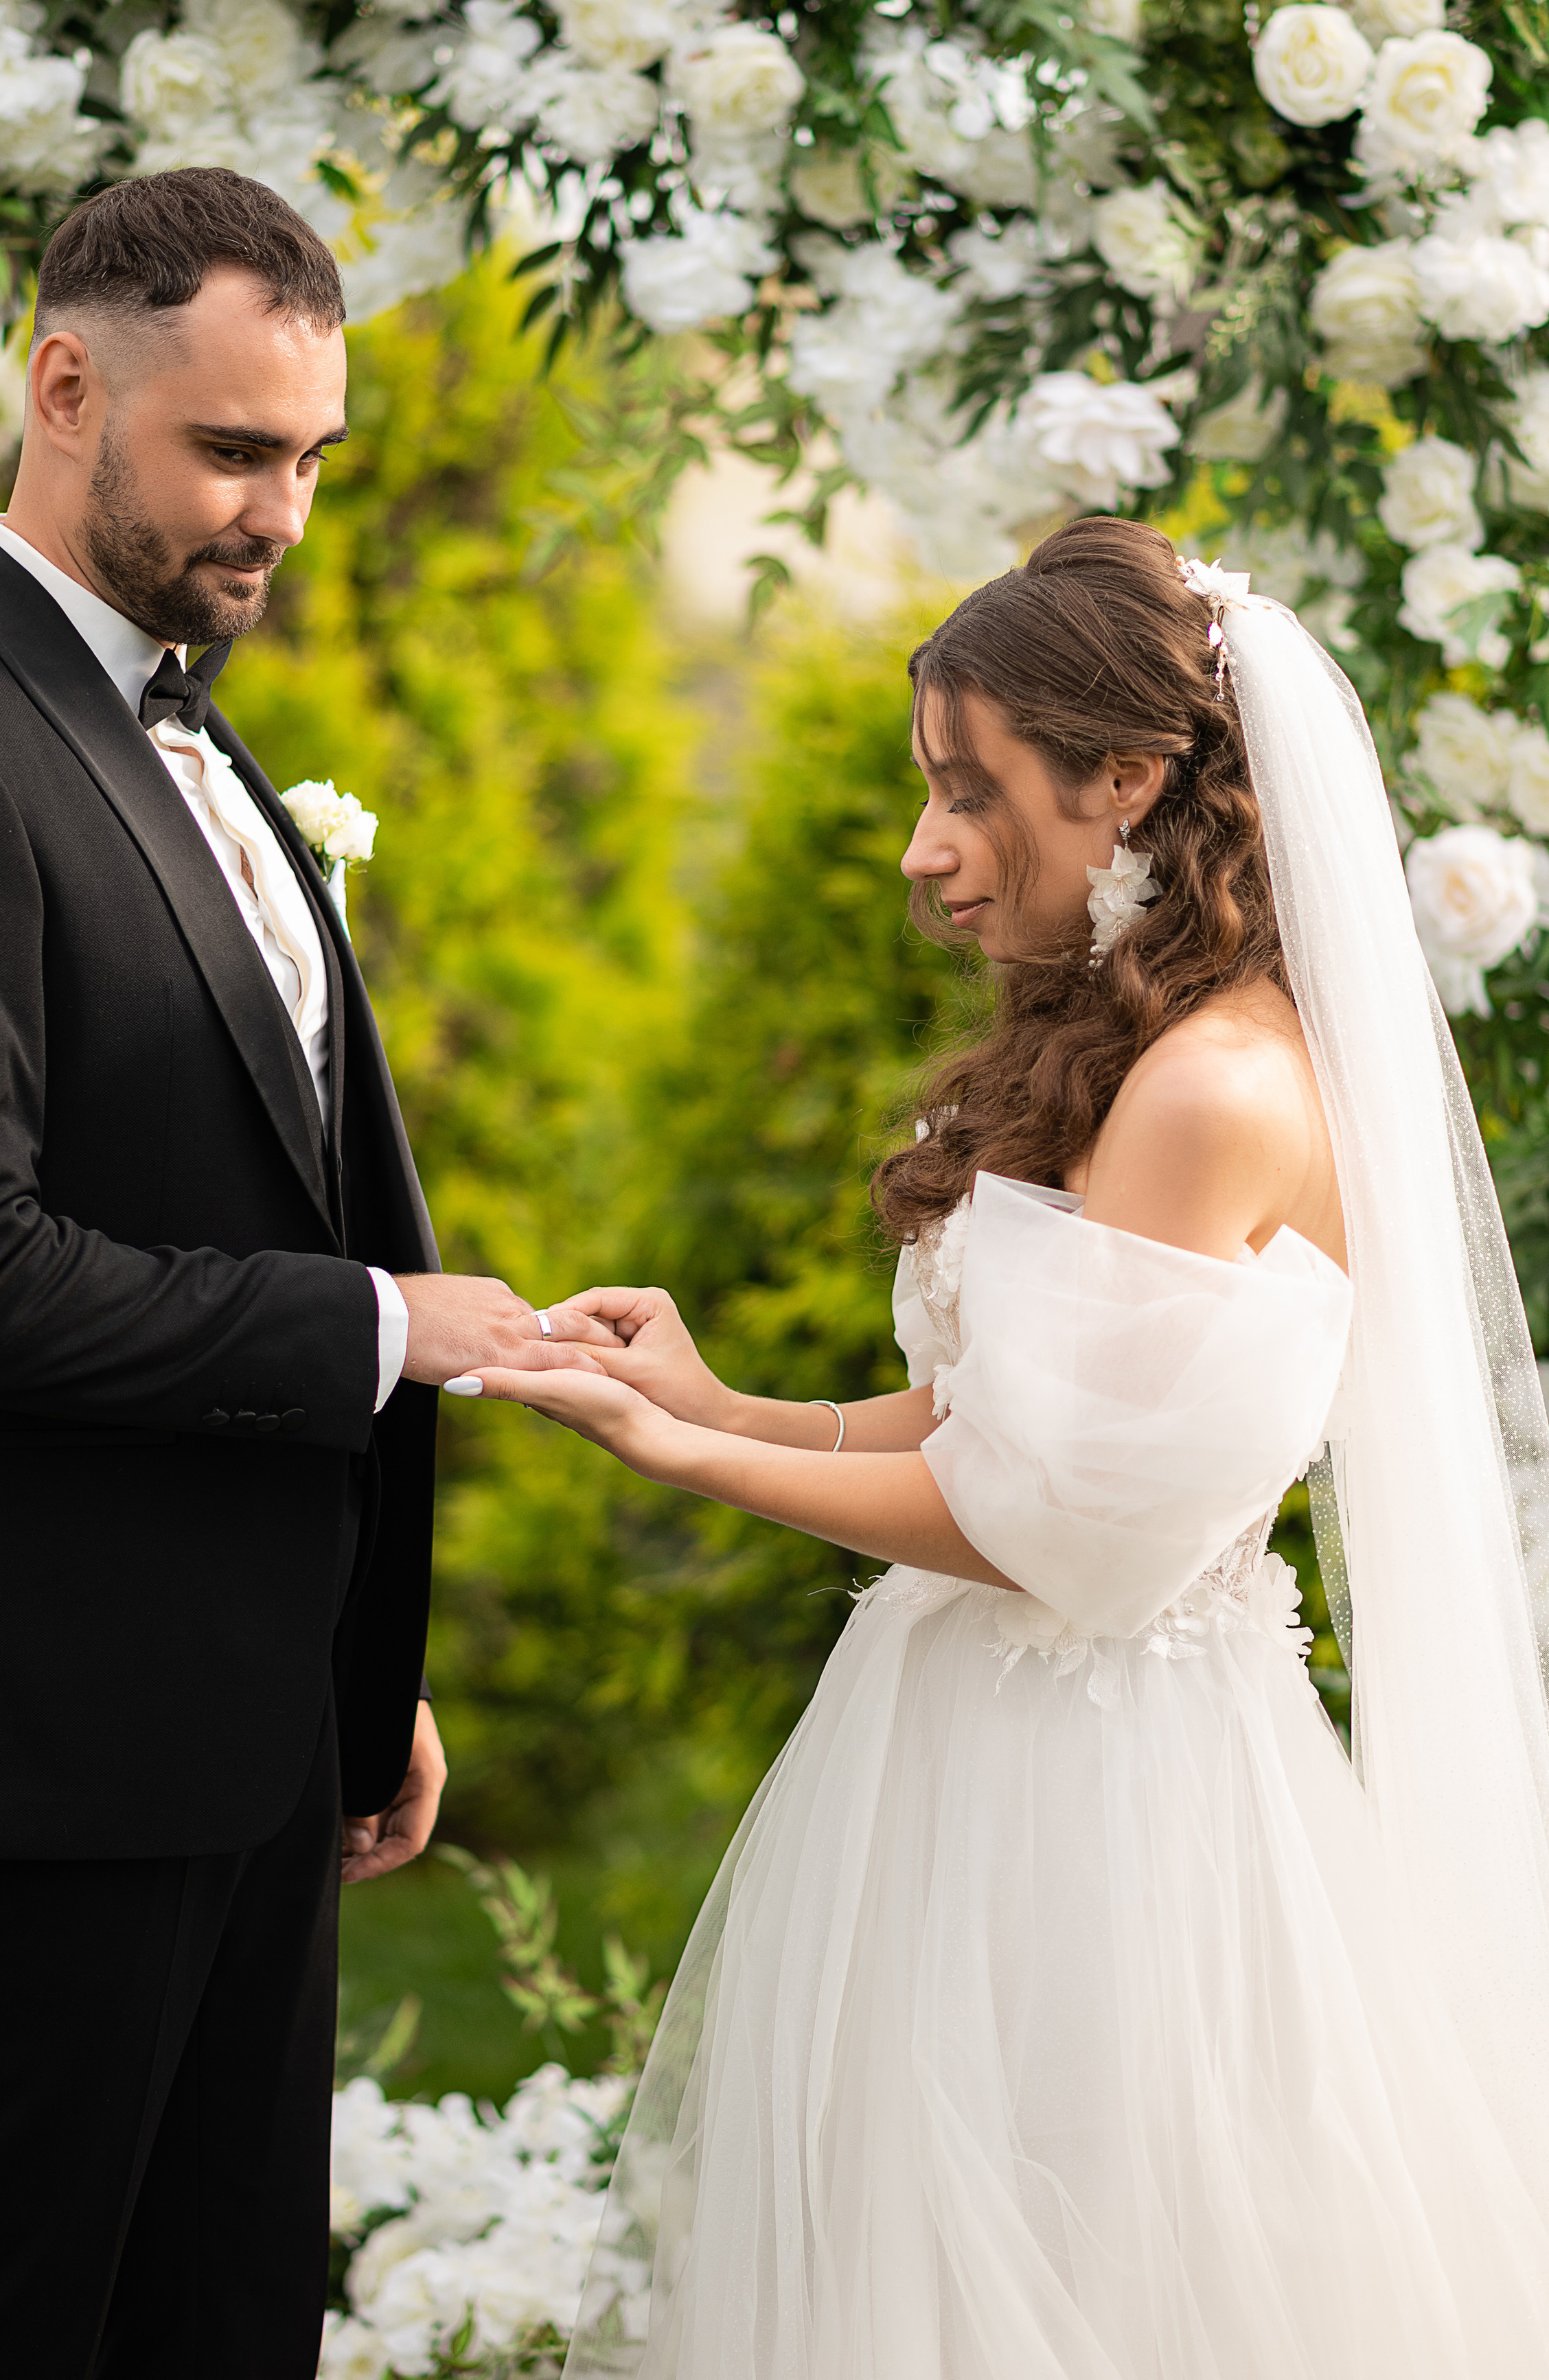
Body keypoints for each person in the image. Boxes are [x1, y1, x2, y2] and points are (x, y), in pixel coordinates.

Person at [461, 518, 1549, 2375]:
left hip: (1100, 1816)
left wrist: (684, 1460)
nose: (925, 848)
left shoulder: (1211, 1092)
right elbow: (1019, 1425)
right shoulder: (1157, 1048)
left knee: (1071, 2266)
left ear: (1124, 779)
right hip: (999, 1748)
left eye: (970, 792)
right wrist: (727, 1401)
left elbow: (1051, 1527)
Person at [0, 167, 609, 2377]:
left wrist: (350, 1658)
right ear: (65, 387)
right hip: (40, 1741)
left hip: (241, 1729)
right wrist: (384, 1327)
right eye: (234, 451)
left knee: (224, 2326)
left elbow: (253, 1170)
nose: (282, 515)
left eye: (311, 458)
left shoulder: (183, 722)